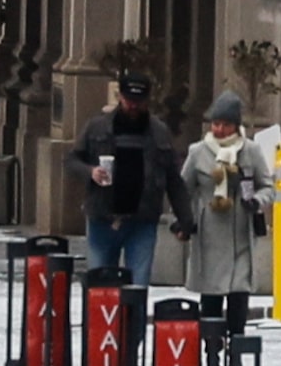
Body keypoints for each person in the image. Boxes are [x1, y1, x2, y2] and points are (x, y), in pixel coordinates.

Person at [65, 72, 195, 287]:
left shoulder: (159, 132)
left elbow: (174, 180)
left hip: (142, 220)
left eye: (139, 101)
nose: (133, 106)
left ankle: (134, 321)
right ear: (119, 97)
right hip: (102, 217)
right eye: (129, 100)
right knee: (100, 287)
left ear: (147, 100)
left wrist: (185, 220)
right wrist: (91, 172)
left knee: (137, 287)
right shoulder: (96, 126)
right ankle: (104, 322)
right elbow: (71, 160)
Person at [181, 90, 272, 331]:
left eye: (226, 125)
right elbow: (183, 190)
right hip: (210, 234)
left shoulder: (250, 151)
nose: (220, 130)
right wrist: (184, 221)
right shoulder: (198, 152)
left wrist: (256, 201)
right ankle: (212, 351)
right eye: (216, 124)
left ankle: (236, 349)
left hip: (241, 233)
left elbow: (267, 186)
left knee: (239, 294)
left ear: (236, 126)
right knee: (211, 297)